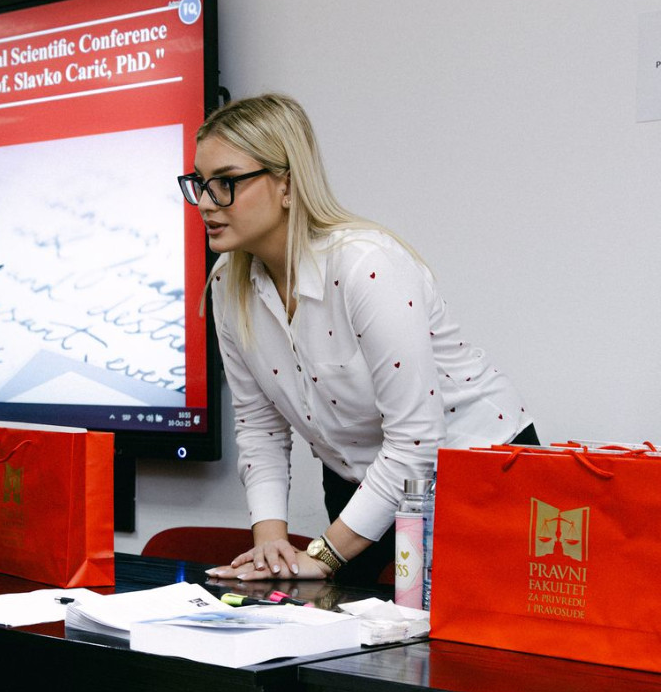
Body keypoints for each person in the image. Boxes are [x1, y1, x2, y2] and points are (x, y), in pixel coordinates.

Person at [180, 94, 536, 585]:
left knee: (466, 630)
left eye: (226, 183)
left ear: (287, 184)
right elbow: (260, 427)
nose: (204, 202)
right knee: (336, 618)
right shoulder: (228, 283)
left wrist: (324, 554)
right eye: (199, 183)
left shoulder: (366, 266)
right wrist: (270, 546)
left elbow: (417, 439)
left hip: (475, 470)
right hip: (364, 478)